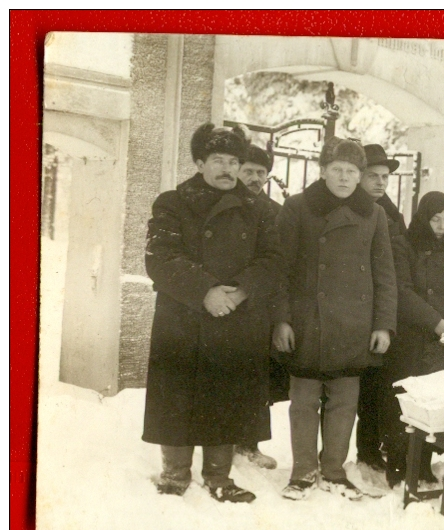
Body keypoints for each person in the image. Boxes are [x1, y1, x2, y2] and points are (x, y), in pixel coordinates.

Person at [143, 123, 283, 503]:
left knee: (228, 396)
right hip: (184, 317)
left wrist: (238, 293)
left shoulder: (259, 210)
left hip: (236, 317)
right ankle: (174, 475)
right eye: (218, 160)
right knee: (178, 395)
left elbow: (273, 260)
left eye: (234, 161)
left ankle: (220, 477)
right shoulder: (172, 203)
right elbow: (160, 258)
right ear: (200, 162)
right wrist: (204, 291)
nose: (227, 169)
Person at [273, 137, 398, 501]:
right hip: (307, 319)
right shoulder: (297, 207)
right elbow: (280, 269)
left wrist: (383, 325)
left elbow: (385, 275)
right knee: (304, 400)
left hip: (354, 323)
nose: (344, 178)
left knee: (345, 400)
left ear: (359, 176)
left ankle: (333, 471)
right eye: (338, 170)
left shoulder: (374, 214)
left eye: (351, 171)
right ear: (323, 170)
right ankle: (302, 472)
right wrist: (281, 319)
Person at [382, 191, 444, 487]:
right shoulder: (403, 245)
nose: (442, 226)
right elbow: (403, 291)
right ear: (424, 218)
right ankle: (399, 469)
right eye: (436, 219)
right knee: (407, 406)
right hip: (413, 338)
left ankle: (422, 467)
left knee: (433, 406)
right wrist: (437, 324)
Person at [233, 143, 285, 470]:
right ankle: (220, 444)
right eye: (249, 171)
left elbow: (281, 262)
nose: (255, 178)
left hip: (259, 307)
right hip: (224, 301)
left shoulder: (275, 212)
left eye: (261, 173)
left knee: (256, 376)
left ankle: (249, 445)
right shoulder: (227, 204)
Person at [355, 144, 407, 472]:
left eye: (384, 177)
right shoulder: (353, 208)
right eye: (372, 176)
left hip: (381, 308)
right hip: (350, 308)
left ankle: (371, 449)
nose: (380, 183)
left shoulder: (391, 213)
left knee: (376, 384)